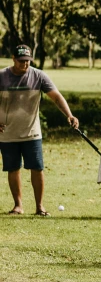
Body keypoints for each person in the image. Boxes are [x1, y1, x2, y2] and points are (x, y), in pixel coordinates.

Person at [0, 45, 79, 216]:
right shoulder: (2, 76)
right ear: (13, 58)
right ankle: (18, 206)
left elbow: (56, 96)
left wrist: (69, 115)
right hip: (7, 133)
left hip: (32, 132)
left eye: (27, 61)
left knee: (37, 168)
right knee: (12, 169)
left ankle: (40, 207)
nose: (25, 64)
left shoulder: (38, 76)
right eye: (21, 61)